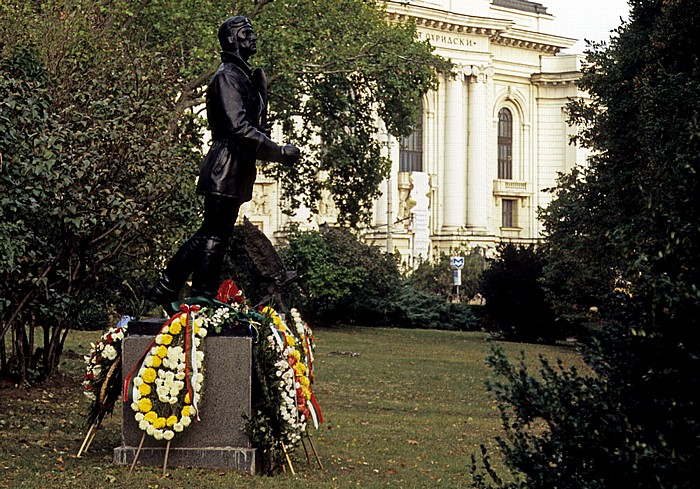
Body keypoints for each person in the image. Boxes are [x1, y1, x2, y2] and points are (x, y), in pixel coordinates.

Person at [148, 16, 300, 311]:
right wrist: (279, 152)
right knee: (214, 234)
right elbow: (239, 128)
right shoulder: (227, 76)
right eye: (246, 34)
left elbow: (253, 124)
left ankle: (170, 289)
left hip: (236, 168)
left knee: (214, 232)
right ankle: (194, 295)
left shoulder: (242, 75)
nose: (253, 38)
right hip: (225, 165)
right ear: (231, 40)